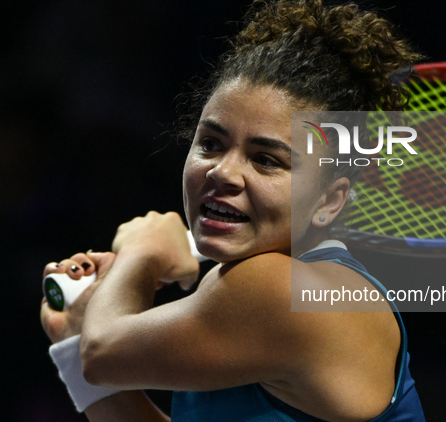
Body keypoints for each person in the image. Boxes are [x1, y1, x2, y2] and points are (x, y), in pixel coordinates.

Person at [40, 0, 425, 420]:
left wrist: (142, 252)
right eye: (211, 144)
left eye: (266, 160)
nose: (224, 172)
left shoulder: (277, 290)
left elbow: (103, 354)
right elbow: (97, 357)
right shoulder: (254, 291)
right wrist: (74, 337)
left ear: (329, 201)